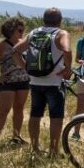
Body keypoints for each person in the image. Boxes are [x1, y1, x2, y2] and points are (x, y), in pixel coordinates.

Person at [12, 8, 72, 156]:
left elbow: (15, 50)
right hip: (54, 82)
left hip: (35, 81)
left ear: (44, 19)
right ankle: (53, 150)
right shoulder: (61, 33)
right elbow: (68, 50)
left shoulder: (34, 33)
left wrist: (25, 66)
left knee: (35, 115)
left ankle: (34, 147)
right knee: (56, 117)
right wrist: (68, 69)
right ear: (60, 20)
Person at [0, 17, 30, 149]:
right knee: (3, 110)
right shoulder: (2, 46)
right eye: (20, 30)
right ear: (11, 31)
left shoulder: (24, 44)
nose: (23, 33)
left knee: (19, 109)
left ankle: (16, 137)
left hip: (23, 81)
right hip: (7, 83)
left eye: (23, 30)